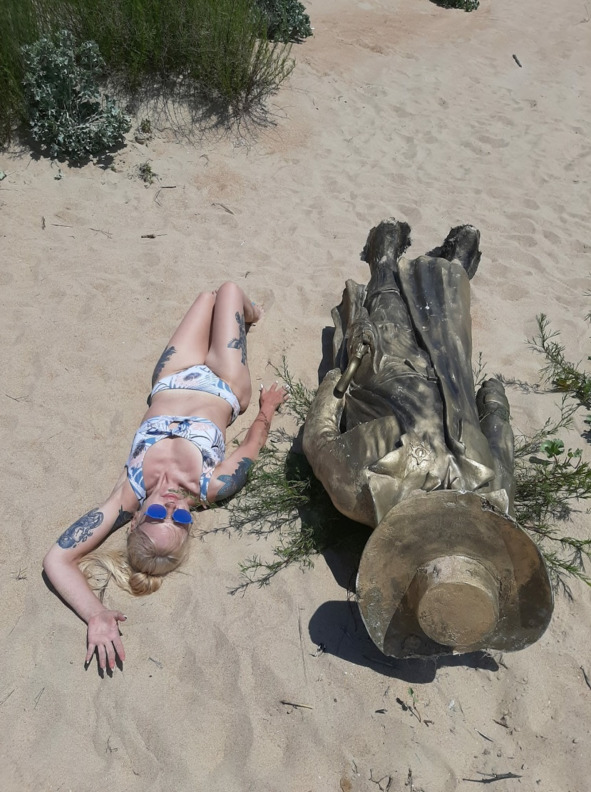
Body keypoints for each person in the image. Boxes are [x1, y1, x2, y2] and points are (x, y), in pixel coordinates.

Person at [43, 282, 288, 671]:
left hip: (171, 378)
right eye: (182, 519)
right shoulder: (212, 485)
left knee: (205, 299)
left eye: (158, 516)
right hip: (224, 383)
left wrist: (95, 613)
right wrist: (267, 409)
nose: (172, 508)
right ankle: (252, 312)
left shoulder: (128, 493)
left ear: (136, 520)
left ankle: (241, 313)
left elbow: (57, 559)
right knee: (227, 290)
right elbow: (250, 446)